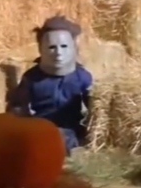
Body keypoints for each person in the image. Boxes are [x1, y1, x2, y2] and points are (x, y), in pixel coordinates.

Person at [7, 16, 93, 155]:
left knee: (62, 138)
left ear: (74, 48)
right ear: (41, 49)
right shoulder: (32, 78)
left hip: (69, 130)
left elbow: (94, 107)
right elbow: (18, 105)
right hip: (40, 127)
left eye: (64, 46)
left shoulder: (81, 77)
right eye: (52, 47)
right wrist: (18, 115)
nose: (58, 53)